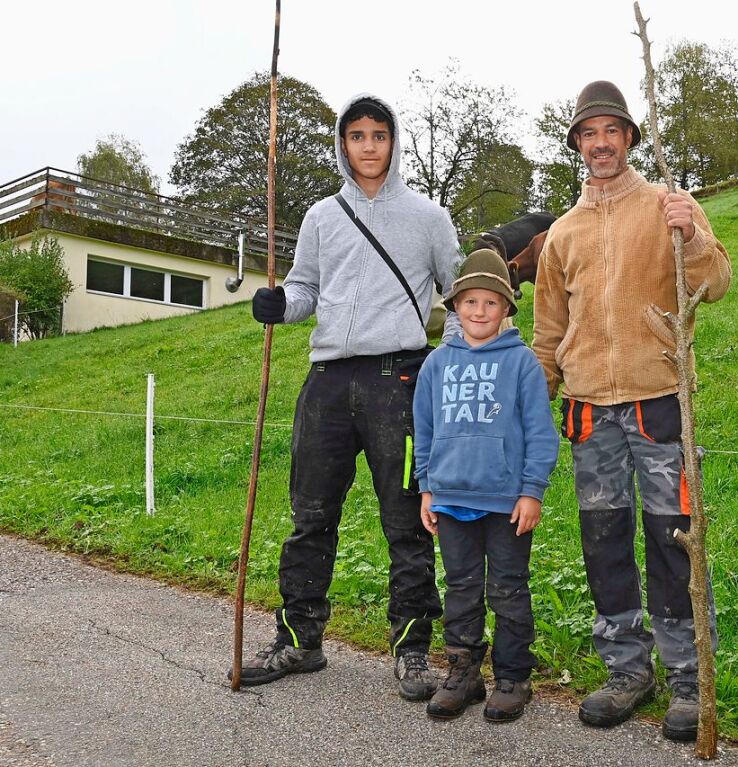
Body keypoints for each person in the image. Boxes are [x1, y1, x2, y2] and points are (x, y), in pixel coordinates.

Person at [234, 93, 463, 701]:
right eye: (356, 135)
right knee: (310, 516)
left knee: (408, 521)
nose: (368, 146)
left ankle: (413, 649)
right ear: (343, 144)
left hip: (400, 382)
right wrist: (282, 305)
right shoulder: (320, 217)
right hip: (328, 384)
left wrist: (449, 362)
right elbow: (308, 287)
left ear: (394, 141)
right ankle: (298, 640)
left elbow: (462, 292)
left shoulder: (428, 217)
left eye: (378, 135)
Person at [532, 81, 732, 741]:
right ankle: (626, 669)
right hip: (590, 413)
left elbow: (714, 282)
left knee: (674, 540)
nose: (599, 143)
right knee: (603, 542)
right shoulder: (561, 233)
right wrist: (538, 403)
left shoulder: (667, 205)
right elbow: (545, 337)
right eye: (587, 134)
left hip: (658, 404)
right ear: (577, 146)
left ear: (628, 138)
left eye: (610, 130)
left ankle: (684, 679)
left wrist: (692, 236)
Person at [413, 248, 559, 722]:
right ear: (455, 307)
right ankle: (464, 671)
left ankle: (514, 676)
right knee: (460, 587)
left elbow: (540, 431)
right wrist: (427, 487)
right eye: (470, 301)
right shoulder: (436, 365)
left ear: (507, 309)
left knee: (508, 589)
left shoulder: (521, 364)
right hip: (451, 497)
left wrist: (532, 490)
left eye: (491, 303)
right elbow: (425, 428)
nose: (480, 311)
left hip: (506, 501)